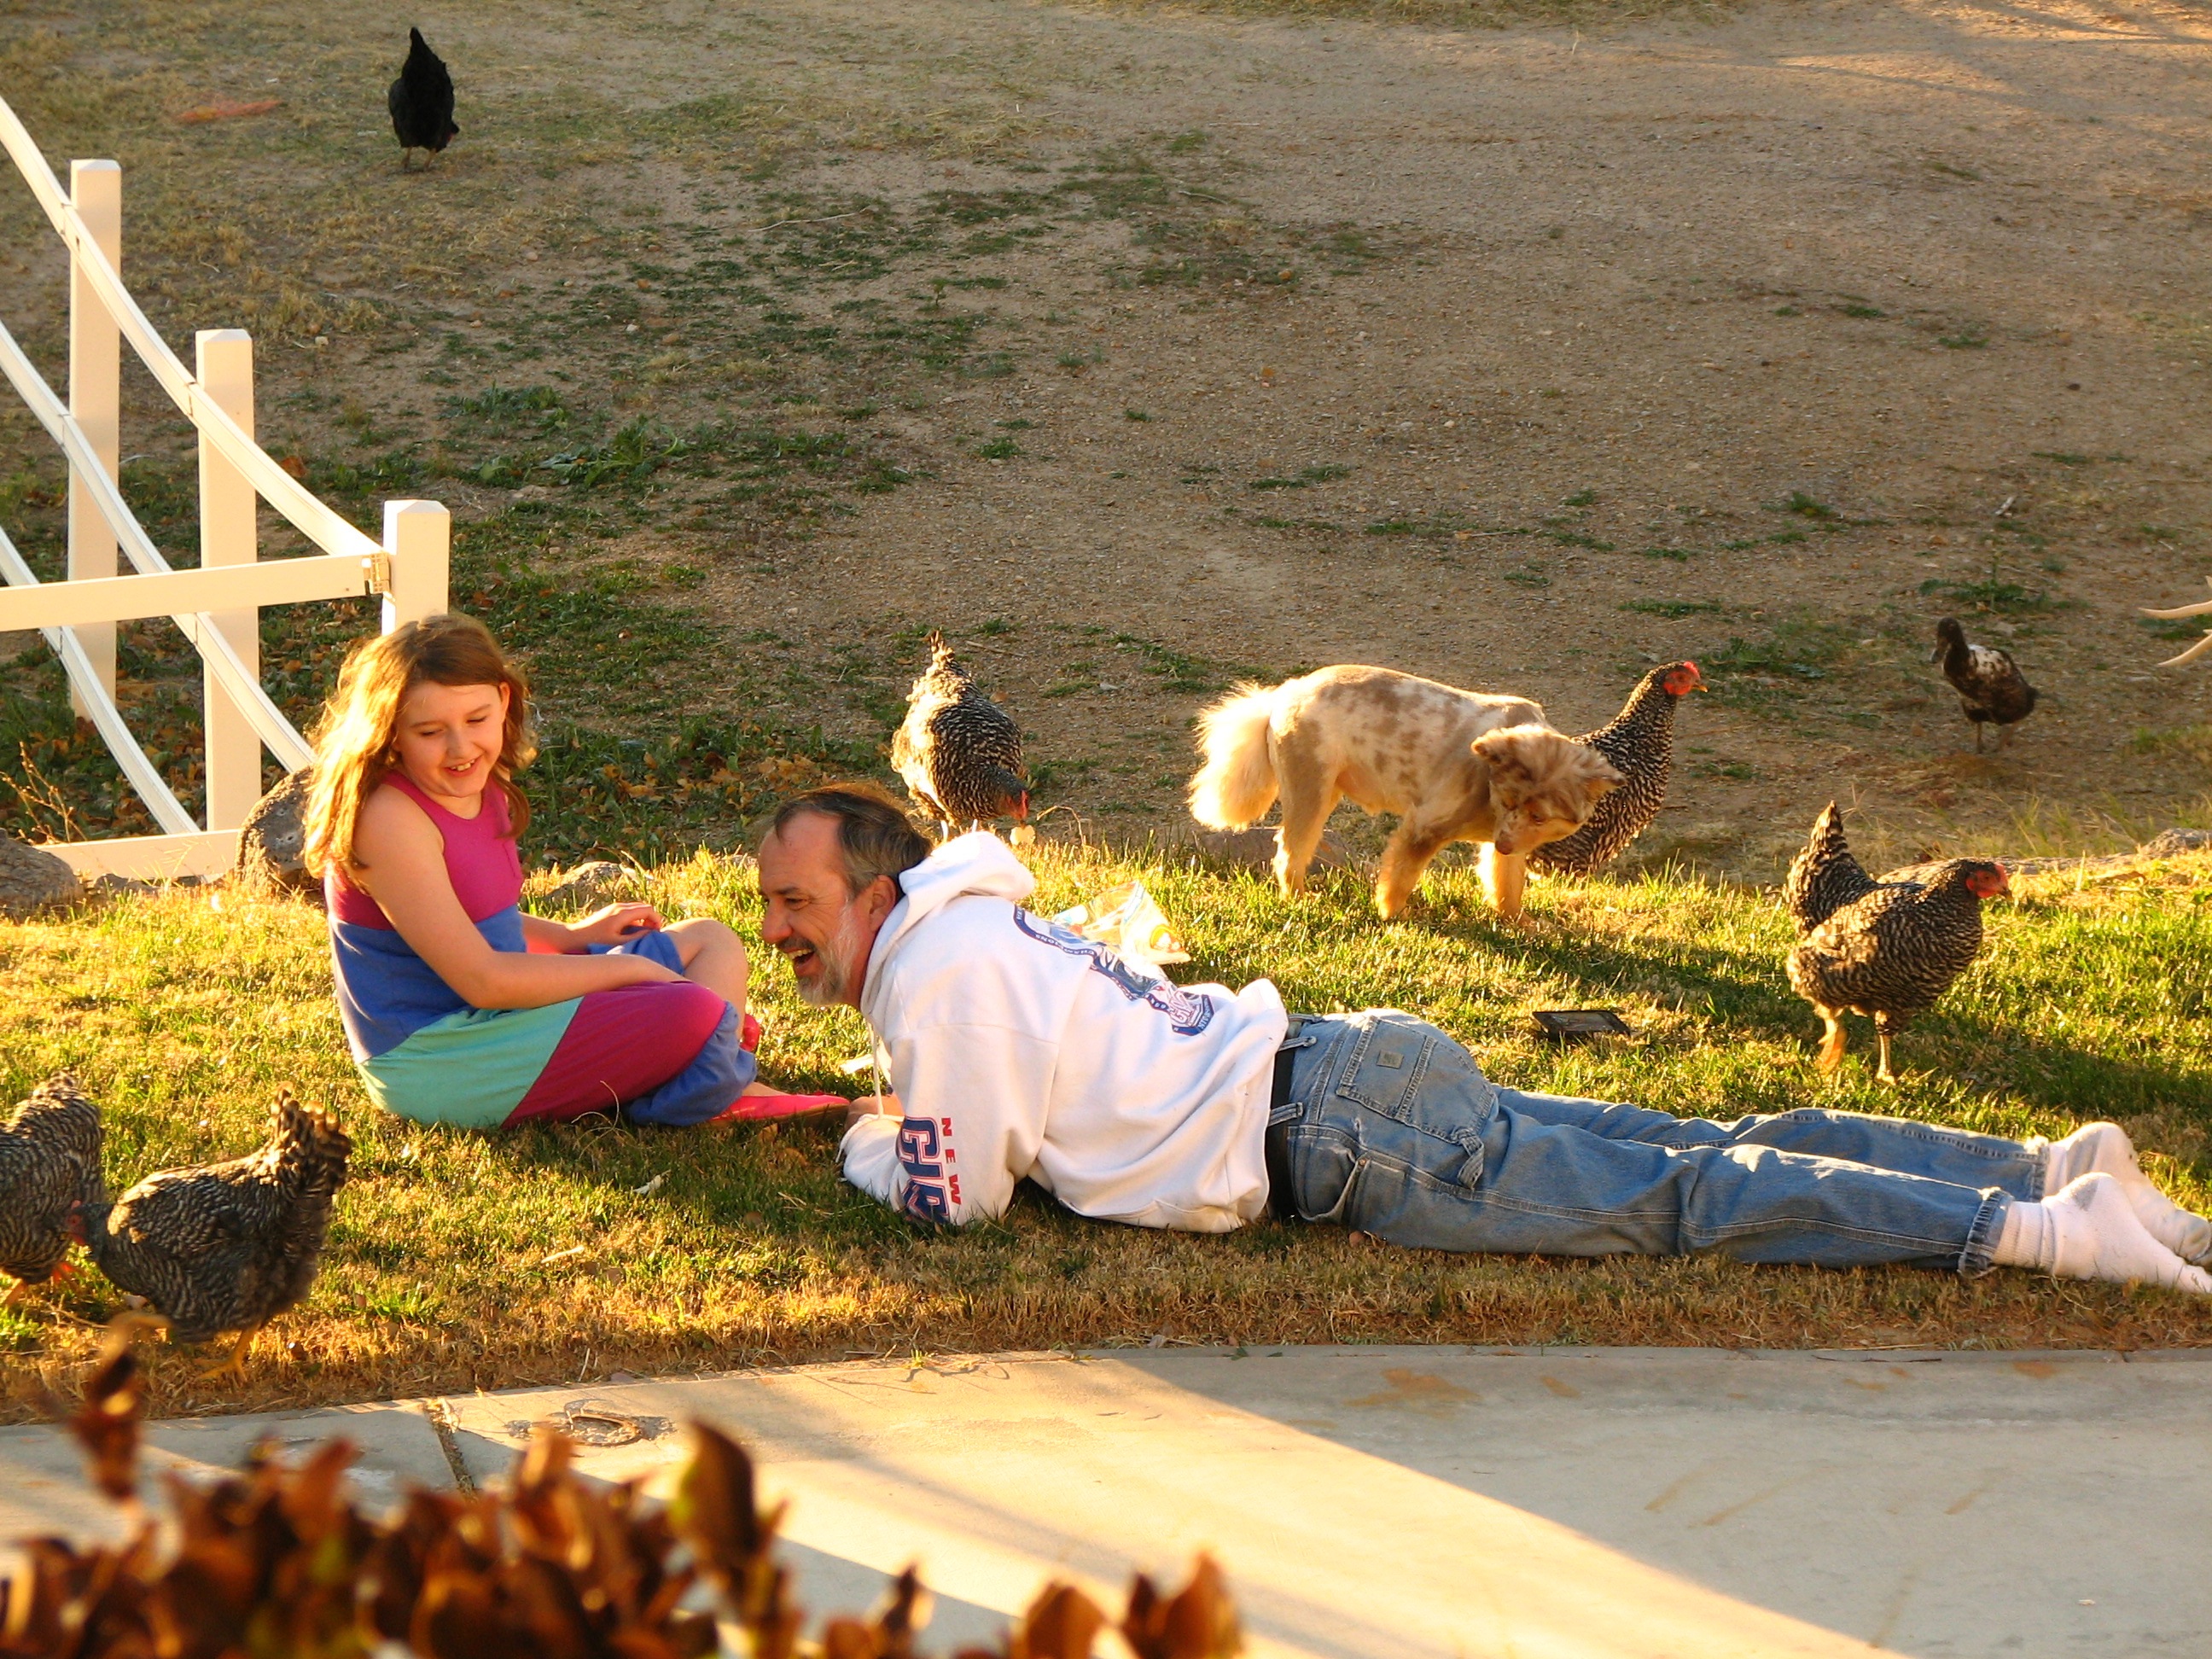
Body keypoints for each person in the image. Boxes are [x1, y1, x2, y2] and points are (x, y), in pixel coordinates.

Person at [755, 781, 2212, 1292]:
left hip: (1336, 1135)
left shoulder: (937, 974)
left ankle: (2050, 1232)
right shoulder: (971, 920)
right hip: (1347, 1057)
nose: (777, 928)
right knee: (1697, 1143)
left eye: (795, 900)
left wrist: (871, 1145)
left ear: (878, 887)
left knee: (1690, 1198)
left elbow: (962, 1196)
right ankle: (2042, 1161)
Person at [302, 614, 823, 1129]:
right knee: (688, 1008)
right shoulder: (389, 819)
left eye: (477, 720)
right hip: (443, 1057)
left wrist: (571, 937)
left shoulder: (480, 783)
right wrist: (631, 971)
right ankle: (711, 1084)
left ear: (504, 700)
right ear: (390, 732)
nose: (461, 748)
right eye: (430, 731)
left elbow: (472, 921)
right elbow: (483, 980)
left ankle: (701, 1068)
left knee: (712, 942)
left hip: (509, 1017)